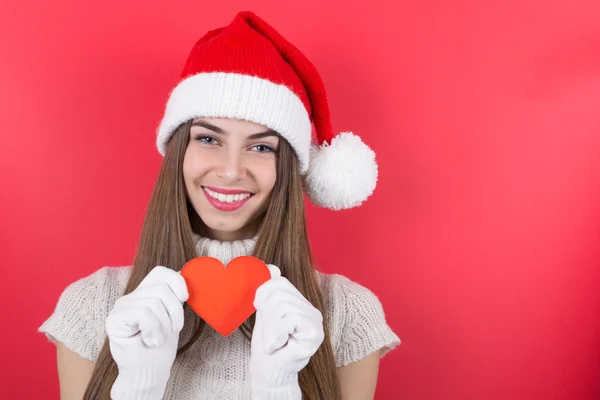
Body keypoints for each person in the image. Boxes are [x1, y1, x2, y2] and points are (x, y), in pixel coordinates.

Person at [38, 10, 400, 400]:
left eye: (261, 147)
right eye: (209, 139)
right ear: (179, 151)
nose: (231, 171)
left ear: (288, 168)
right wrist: (137, 391)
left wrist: (277, 391)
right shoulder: (92, 306)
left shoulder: (348, 315)